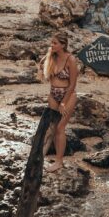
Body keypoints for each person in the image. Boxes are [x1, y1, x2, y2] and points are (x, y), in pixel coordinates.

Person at [39, 34, 79, 173]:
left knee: (60, 128)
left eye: (54, 43)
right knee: (53, 127)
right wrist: (46, 59)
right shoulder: (52, 57)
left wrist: (63, 102)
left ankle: (59, 162)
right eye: (51, 43)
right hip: (53, 94)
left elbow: (73, 84)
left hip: (67, 96)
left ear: (63, 45)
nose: (52, 45)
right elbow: (40, 65)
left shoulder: (71, 60)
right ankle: (55, 157)